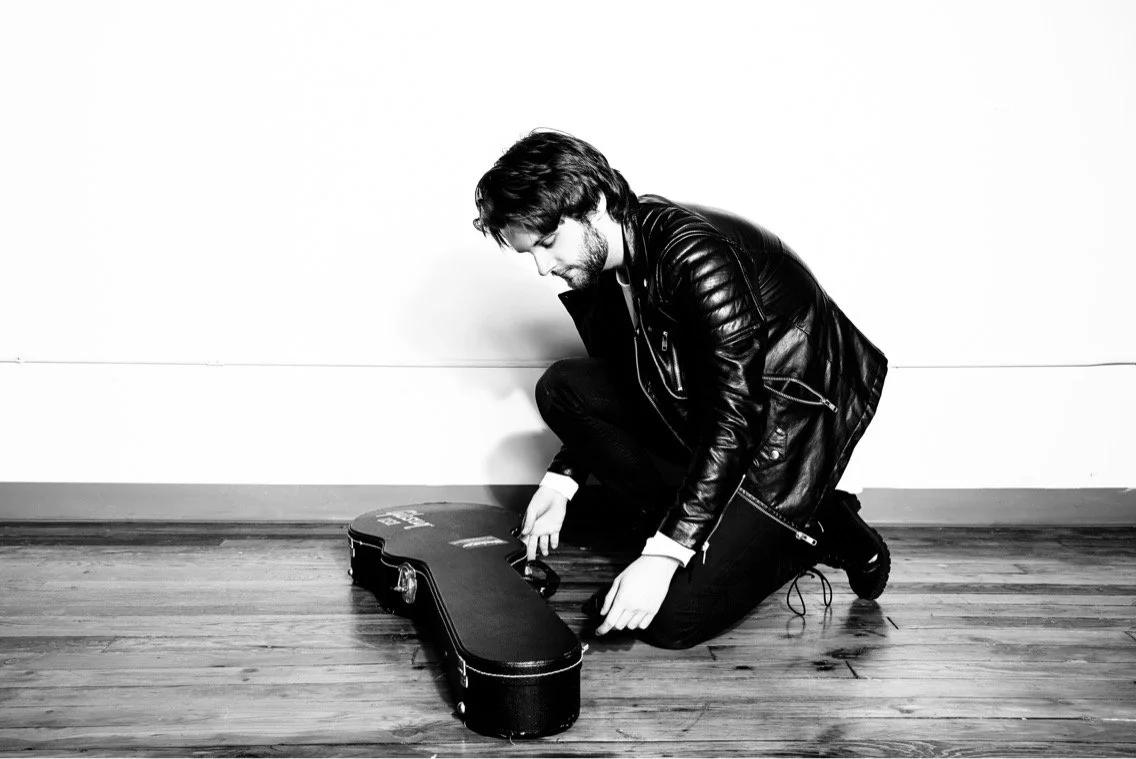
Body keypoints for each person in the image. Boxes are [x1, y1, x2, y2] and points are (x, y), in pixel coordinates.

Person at [473, 130, 890, 649]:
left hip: (784, 432)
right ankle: (696, 529)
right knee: (563, 388)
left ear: (595, 204)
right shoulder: (604, 268)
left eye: (548, 242)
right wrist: (560, 485)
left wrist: (663, 555)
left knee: (669, 621)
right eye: (528, 252)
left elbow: (738, 417)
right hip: (709, 412)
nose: (542, 266)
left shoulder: (693, 256)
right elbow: (630, 382)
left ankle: (818, 527)